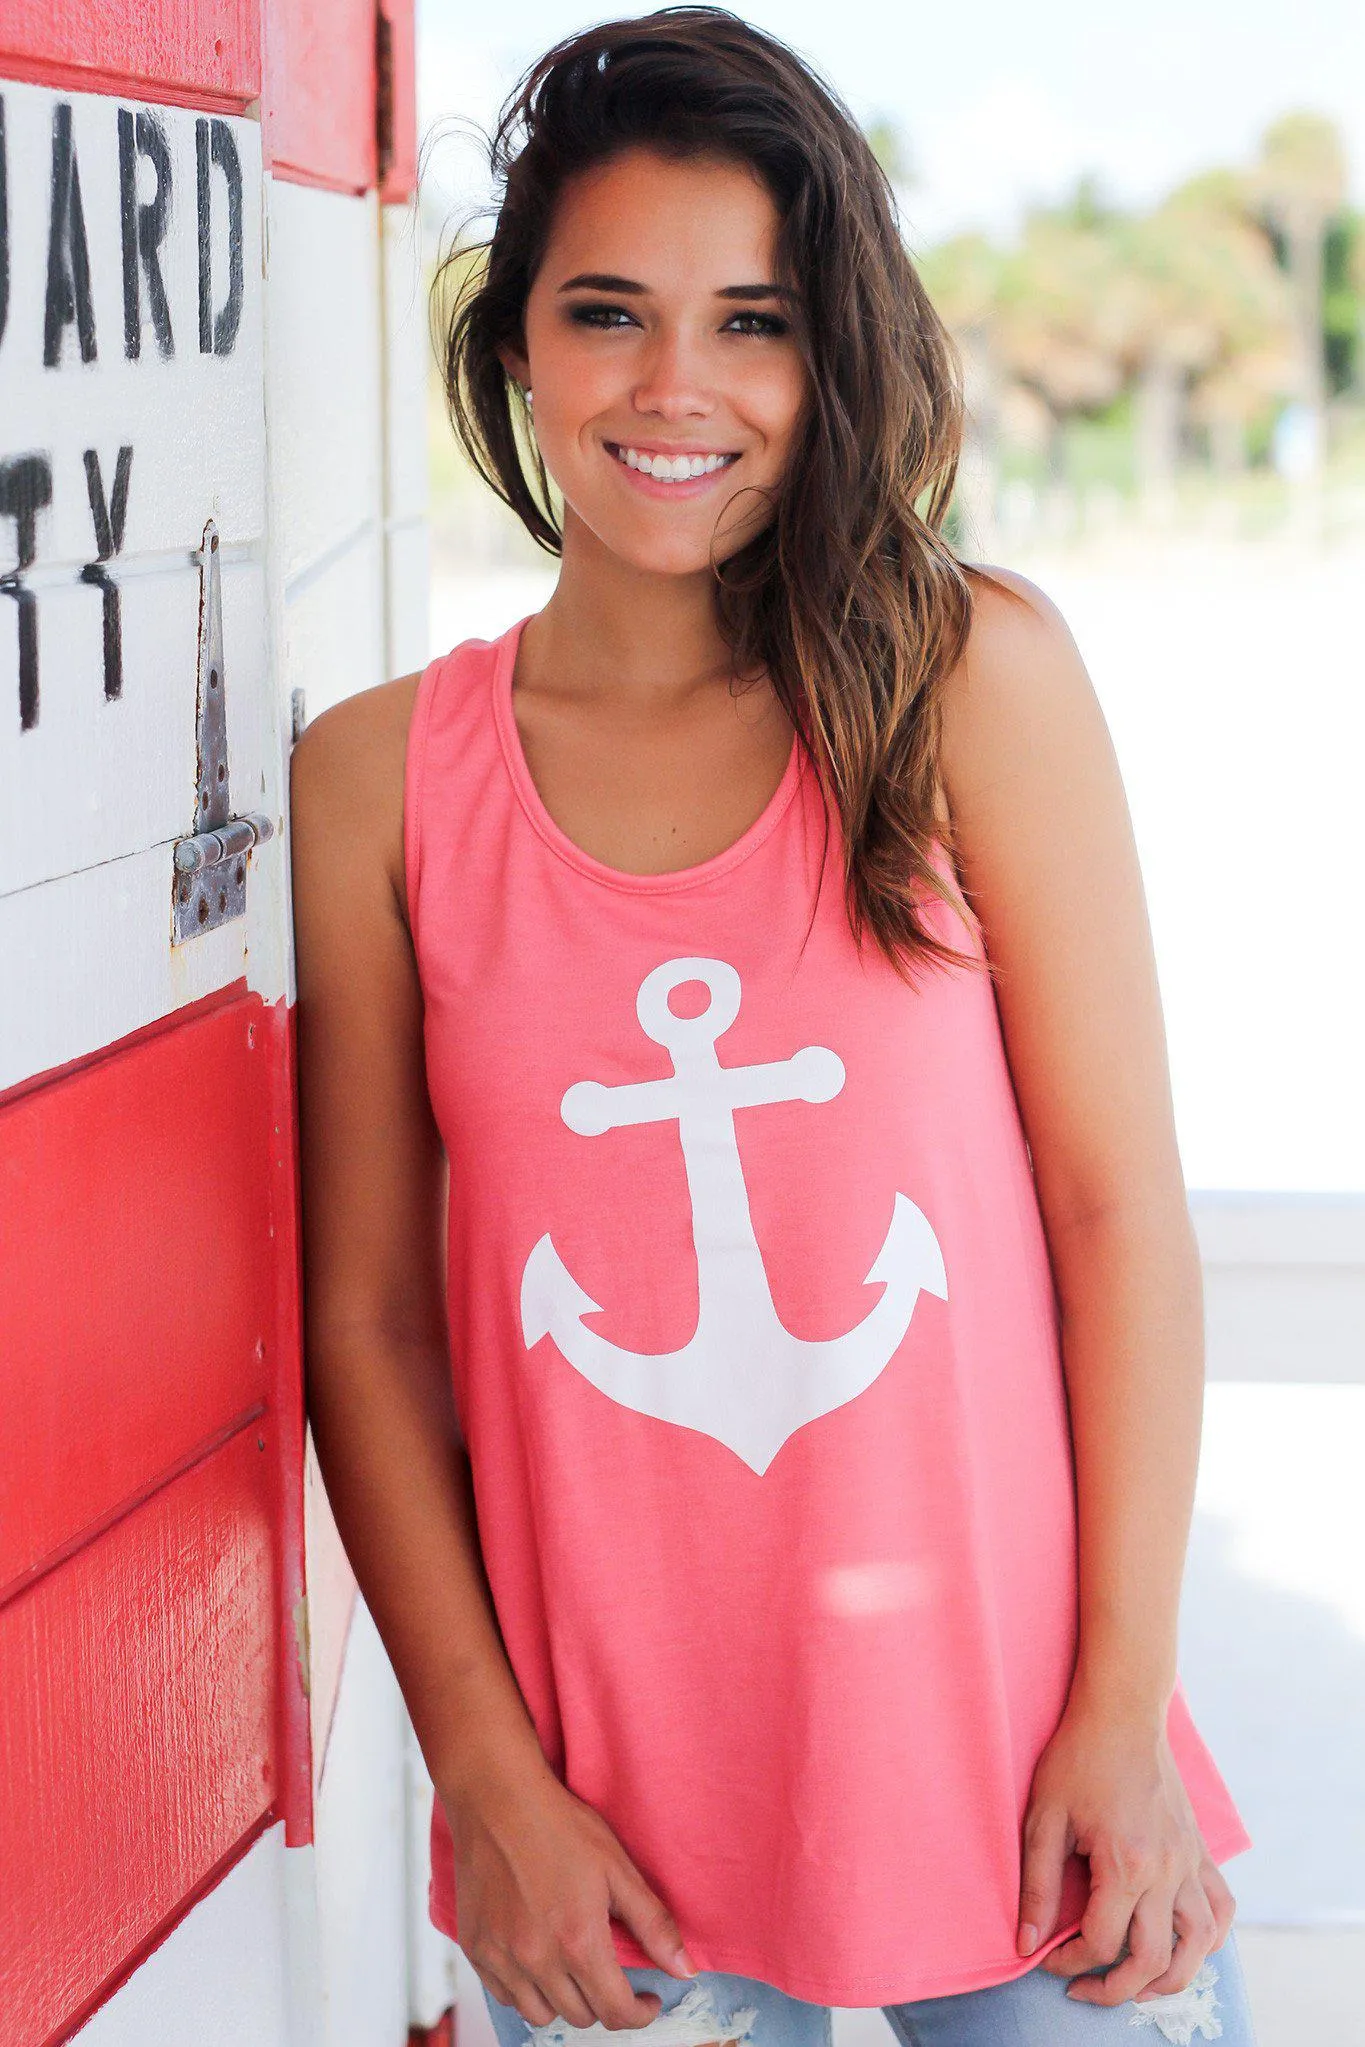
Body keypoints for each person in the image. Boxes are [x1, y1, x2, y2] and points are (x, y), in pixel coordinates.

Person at [288, 10, 1260, 2044]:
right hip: (607, 1844)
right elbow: (368, 1318)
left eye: (754, 323)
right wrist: (485, 1783)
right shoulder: (384, 784)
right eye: (609, 313)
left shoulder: (964, 679)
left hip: (1021, 1794)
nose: (677, 389)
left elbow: (1110, 1217)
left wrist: (1118, 1712)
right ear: (516, 351)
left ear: (833, 358)